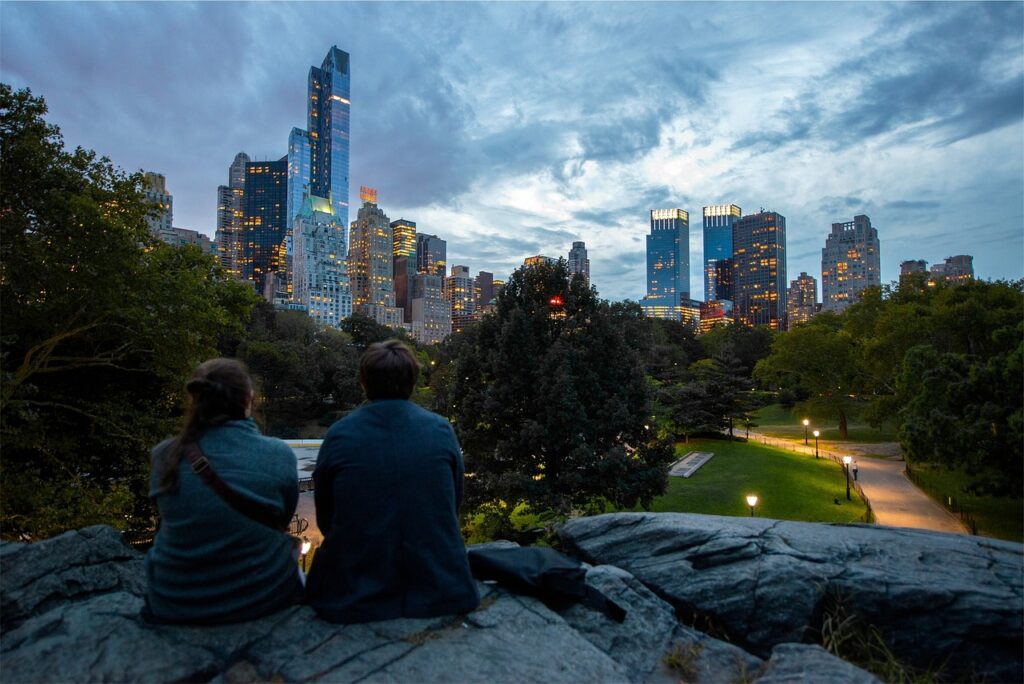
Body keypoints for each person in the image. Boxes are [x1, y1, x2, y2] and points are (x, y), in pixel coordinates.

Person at [306, 340, 479, 623]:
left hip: (351, 594)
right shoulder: (440, 430)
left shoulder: (340, 434)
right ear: (413, 381)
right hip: (442, 589)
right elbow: (451, 505)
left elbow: (326, 519)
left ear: (363, 381)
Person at [144, 358, 303, 624]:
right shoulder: (278, 455)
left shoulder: (164, 456)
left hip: (173, 601)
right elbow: (281, 519)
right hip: (263, 598)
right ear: (248, 400)